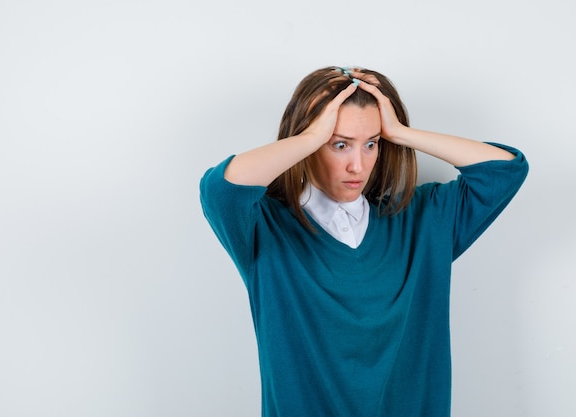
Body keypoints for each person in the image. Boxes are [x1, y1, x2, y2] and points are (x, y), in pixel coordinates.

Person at [199, 66, 528, 417]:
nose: (358, 165)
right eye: (339, 144)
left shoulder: (424, 219)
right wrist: (311, 138)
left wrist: (400, 132)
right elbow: (221, 189)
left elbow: (504, 171)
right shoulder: (265, 229)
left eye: (371, 144)